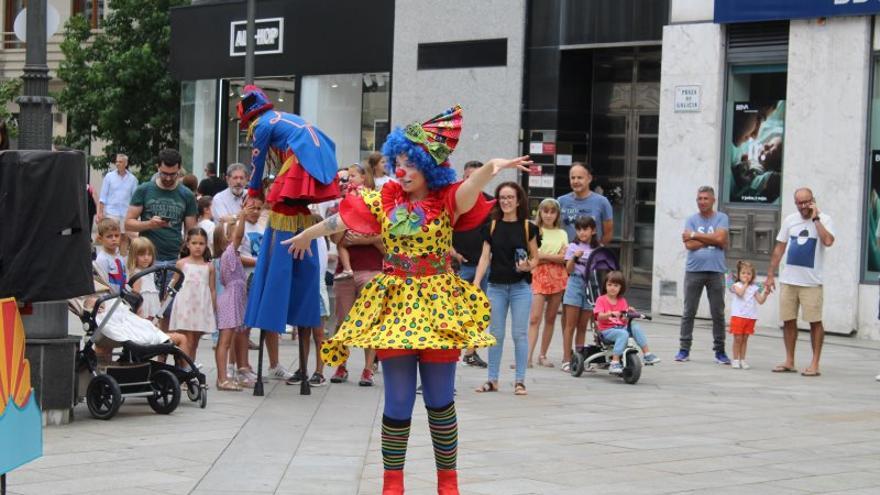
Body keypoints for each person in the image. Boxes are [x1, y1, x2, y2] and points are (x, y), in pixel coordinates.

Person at [285, 105, 529, 494]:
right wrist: (307, 235)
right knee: (397, 402)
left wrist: (491, 169)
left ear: (430, 167)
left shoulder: (448, 200)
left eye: (411, 162)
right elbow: (341, 222)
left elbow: (469, 192)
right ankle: (391, 487)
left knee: (438, 401)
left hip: (438, 306)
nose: (402, 169)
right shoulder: (383, 200)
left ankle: (448, 486)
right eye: (398, 161)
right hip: (395, 304)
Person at [237, 85, 339, 383]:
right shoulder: (281, 117)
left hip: (300, 159)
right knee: (289, 199)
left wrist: (254, 189)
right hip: (312, 152)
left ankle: (302, 367)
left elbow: (257, 160)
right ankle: (306, 369)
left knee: (285, 199)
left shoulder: (262, 125)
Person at [474, 181, 538, 396]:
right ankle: (492, 380)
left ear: (518, 200)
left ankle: (520, 381)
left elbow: (535, 257)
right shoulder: (492, 226)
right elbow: (484, 258)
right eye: (502, 198)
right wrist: (476, 283)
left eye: (510, 197)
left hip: (521, 287)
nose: (506, 201)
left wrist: (528, 265)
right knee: (496, 334)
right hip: (496, 287)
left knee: (519, 334)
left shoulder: (528, 227)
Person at [765, 188, 835, 377]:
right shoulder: (790, 220)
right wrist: (770, 274)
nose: (803, 206)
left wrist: (816, 219)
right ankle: (789, 360)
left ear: (813, 201)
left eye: (807, 202)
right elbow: (779, 248)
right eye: (800, 203)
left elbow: (828, 241)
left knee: (815, 322)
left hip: (812, 283)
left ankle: (815, 363)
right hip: (789, 280)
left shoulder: (824, 219)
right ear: (795, 203)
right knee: (788, 321)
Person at [676, 186, 731, 365]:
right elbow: (689, 245)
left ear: (713, 200)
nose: (702, 202)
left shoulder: (722, 218)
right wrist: (711, 238)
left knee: (718, 313)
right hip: (694, 270)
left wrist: (695, 236)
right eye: (699, 198)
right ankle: (684, 349)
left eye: (706, 198)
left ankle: (720, 351)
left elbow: (721, 240)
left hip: (716, 270)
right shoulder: (691, 219)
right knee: (688, 311)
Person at [451, 160, 491, 368]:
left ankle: (471, 351)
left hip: (482, 265)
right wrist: (453, 252)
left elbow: (492, 238)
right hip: (457, 263)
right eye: (469, 177)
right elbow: (442, 229)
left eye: (477, 177)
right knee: (453, 310)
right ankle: (450, 352)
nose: (472, 181)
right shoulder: (454, 201)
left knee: (478, 310)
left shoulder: (490, 203)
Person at [125, 148, 198, 263]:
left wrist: (186, 255)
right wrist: (149, 224)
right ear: (157, 167)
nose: (168, 178)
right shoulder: (144, 190)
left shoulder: (187, 195)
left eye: (173, 174)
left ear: (179, 169)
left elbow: (192, 232)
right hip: (146, 258)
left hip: (174, 258)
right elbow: (128, 224)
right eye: (164, 173)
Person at [527, 198, 568, 368]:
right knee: (534, 318)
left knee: (550, 317)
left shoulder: (562, 234)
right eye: (546, 211)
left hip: (558, 277)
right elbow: (531, 256)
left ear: (557, 214)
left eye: (552, 212)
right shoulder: (534, 230)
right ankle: (527, 356)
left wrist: (543, 256)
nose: (549, 215)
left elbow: (564, 257)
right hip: (538, 275)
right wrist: (550, 258)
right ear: (540, 212)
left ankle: (542, 354)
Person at [593, 270, 660, 374]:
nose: (612, 288)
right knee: (623, 334)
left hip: (620, 328)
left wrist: (629, 313)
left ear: (621, 288)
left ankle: (647, 354)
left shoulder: (622, 301)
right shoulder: (601, 300)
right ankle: (614, 362)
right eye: (609, 284)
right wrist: (610, 314)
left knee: (634, 326)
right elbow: (599, 317)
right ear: (605, 285)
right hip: (607, 330)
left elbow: (624, 320)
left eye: (616, 285)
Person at [169, 227, 217, 364]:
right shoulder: (181, 264)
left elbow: (212, 289)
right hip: (185, 306)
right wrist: (165, 303)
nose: (197, 247)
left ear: (206, 245)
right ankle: (183, 370)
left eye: (201, 244)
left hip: (201, 307)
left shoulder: (209, 266)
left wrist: (212, 308)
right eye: (194, 243)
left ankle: (190, 371)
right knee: (187, 339)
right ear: (188, 244)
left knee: (195, 341)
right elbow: (172, 285)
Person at [560, 215, 599, 372]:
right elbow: (568, 270)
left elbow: (601, 269)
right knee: (570, 325)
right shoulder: (573, 247)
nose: (582, 232)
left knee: (583, 326)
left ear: (593, 230)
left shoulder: (597, 249)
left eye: (586, 229)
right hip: (575, 284)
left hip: (590, 286)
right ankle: (567, 359)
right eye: (579, 229)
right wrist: (575, 258)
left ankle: (580, 358)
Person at [214, 216, 249, 391]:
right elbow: (239, 236)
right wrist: (242, 215)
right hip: (229, 301)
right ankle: (222, 378)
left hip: (233, 299)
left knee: (228, 340)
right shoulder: (229, 252)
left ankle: (225, 376)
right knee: (225, 341)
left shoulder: (232, 254)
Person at [334, 163, 376, 281]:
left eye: (351, 176)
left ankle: (348, 269)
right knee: (341, 244)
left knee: (341, 245)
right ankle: (347, 269)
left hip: (361, 226)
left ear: (363, 177)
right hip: (359, 226)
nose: (348, 180)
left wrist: (369, 239)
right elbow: (335, 238)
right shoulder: (365, 191)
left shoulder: (357, 191)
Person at [558, 162, 613, 245]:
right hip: (567, 255)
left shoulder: (602, 202)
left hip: (592, 255)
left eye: (580, 178)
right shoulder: (561, 201)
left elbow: (608, 233)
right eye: (573, 178)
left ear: (589, 178)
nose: (576, 181)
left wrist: (596, 250)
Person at [729, 260, 771, 370]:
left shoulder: (754, 288)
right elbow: (740, 293)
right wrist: (746, 284)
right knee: (737, 338)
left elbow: (760, 301)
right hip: (738, 316)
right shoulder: (735, 285)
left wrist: (765, 294)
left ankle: (742, 359)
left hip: (750, 317)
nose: (746, 275)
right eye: (743, 273)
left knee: (745, 339)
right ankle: (735, 360)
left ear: (752, 275)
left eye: (748, 273)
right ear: (739, 274)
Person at [98, 153, 138, 255]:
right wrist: (100, 213)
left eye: (120, 162)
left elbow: (135, 199)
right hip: (111, 212)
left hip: (125, 213)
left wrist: (135, 216)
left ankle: (122, 259)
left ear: (126, 163)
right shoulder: (109, 177)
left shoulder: (133, 179)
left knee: (124, 237)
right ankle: (109, 257)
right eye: (116, 161)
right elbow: (103, 196)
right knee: (111, 236)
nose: (117, 164)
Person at [127, 237, 162, 322]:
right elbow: (136, 294)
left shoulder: (150, 271)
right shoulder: (136, 273)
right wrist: (137, 309)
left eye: (149, 254)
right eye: (142, 255)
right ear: (134, 255)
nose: (146, 258)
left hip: (152, 306)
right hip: (142, 307)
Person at [94, 218, 127, 293]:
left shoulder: (119, 256)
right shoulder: (102, 259)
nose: (114, 239)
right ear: (100, 239)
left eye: (116, 235)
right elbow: (103, 283)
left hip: (121, 297)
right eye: (109, 236)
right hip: (110, 298)